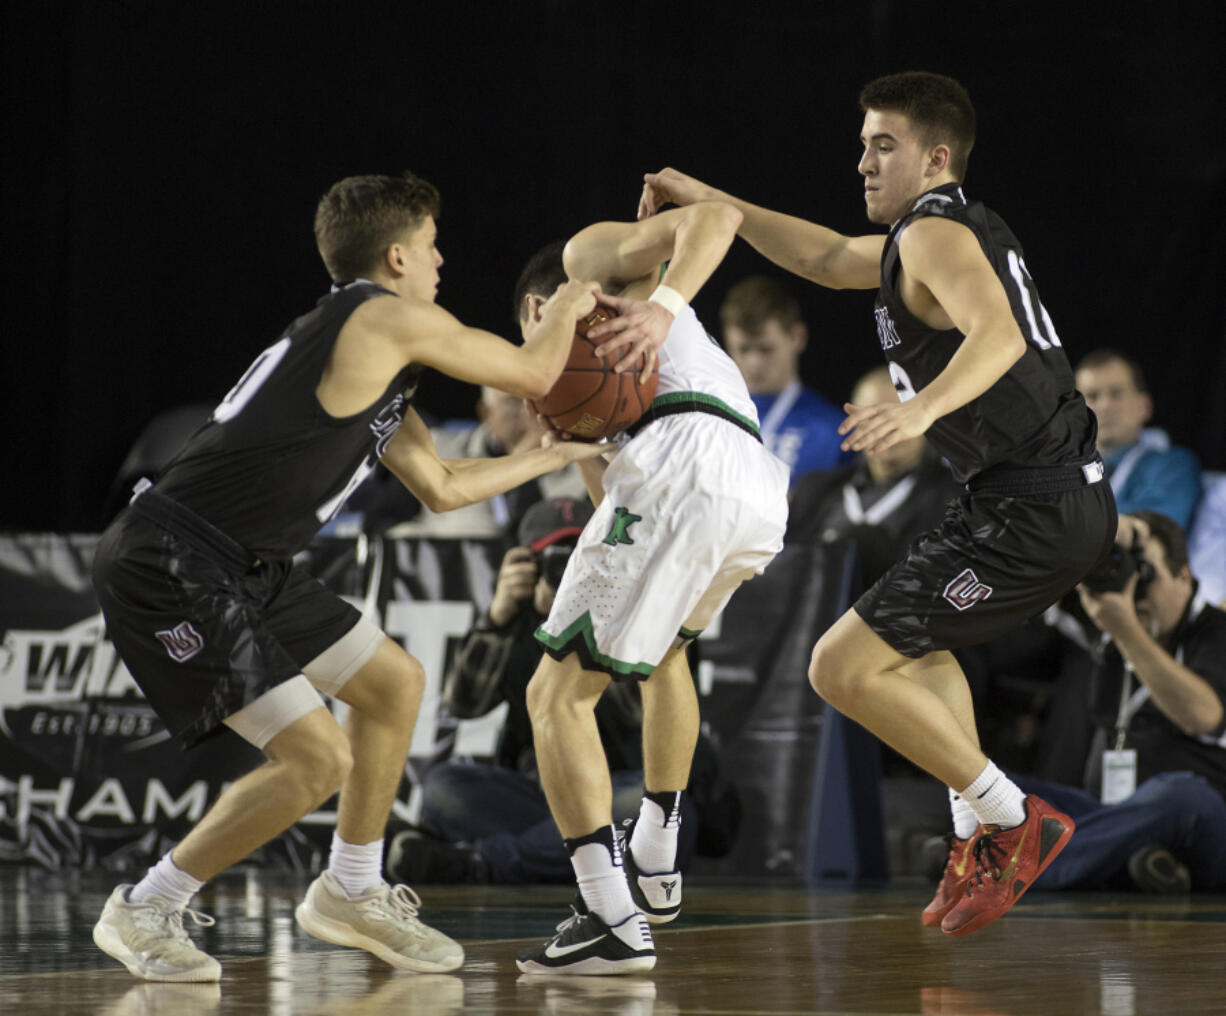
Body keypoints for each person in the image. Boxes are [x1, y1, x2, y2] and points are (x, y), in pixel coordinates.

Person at [89, 171, 607, 982]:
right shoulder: (381, 316)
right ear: (397, 256)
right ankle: (147, 904)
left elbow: (440, 487)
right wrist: (573, 300)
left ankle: (351, 889)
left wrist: (553, 456)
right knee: (316, 760)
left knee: (394, 683)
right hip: (174, 557)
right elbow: (535, 374)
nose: (442, 261)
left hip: (247, 562)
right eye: (433, 246)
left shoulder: (373, 353)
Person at [640, 70, 1117, 937]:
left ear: (936, 158)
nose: (862, 159)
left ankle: (1014, 817)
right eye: (862, 143)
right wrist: (714, 202)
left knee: (839, 667)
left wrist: (920, 407)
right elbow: (822, 256)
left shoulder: (936, 230)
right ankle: (975, 829)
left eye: (883, 144)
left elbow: (1000, 332)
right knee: (910, 648)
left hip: (1036, 506)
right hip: (1015, 500)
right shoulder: (920, 236)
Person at [511, 206, 790, 974]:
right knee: (664, 652)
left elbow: (714, 217)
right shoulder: (626, 370)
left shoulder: (588, 263)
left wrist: (663, 307)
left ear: (539, 311)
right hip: (749, 488)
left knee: (554, 697)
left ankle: (608, 913)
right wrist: (573, 442)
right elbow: (615, 504)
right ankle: (658, 852)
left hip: (686, 457)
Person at [386, 496, 698, 885]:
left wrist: (597, 610)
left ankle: (479, 863)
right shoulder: (516, 620)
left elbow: (638, 712)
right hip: (541, 795)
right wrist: (497, 620)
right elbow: (464, 704)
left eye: (576, 560)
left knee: (653, 808)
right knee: (444, 788)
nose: (564, 573)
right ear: (529, 566)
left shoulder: (640, 612)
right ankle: (559, 852)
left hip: (621, 785)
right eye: (553, 562)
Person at [1009, 512, 1226, 892]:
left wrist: (1125, 629)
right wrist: (1107, 532)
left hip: (1206, 823)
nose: (1134, 591)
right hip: (1110, 817)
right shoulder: (1110, 628)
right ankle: (1139, 863)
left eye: (1146, 574)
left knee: (1179, 796)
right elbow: (1035, 550)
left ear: (1184, 576)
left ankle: (1014, 865)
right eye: (1127, 575)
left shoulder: (1215, 632)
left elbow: (1204, 716)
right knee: (992, 785)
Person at [785, 365, 960, 585]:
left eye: (900, 412)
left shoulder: (955, 500)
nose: (888, 426)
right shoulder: (814, 491)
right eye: (874, 415)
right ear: (852, 420)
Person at [390, 386, 587, 538]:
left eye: (542, 401)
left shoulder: (583, 468)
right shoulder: (437, 450)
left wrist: (536, 459)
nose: (531, 413)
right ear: (485, 412)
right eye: (515, 401)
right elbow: (382, 524)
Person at [718, 275, 851, 485]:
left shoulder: (836, 431)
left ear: (797, 337)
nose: (754, 362)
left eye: (765, 349)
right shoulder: (712, 420)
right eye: (743, 349)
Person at [1074, 348, 1202, 530]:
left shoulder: (1173, 466)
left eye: (1116, 393)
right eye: (1093, 396)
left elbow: (1155, 528)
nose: (1104, 406)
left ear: (1144, 405)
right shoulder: (1060, 469)